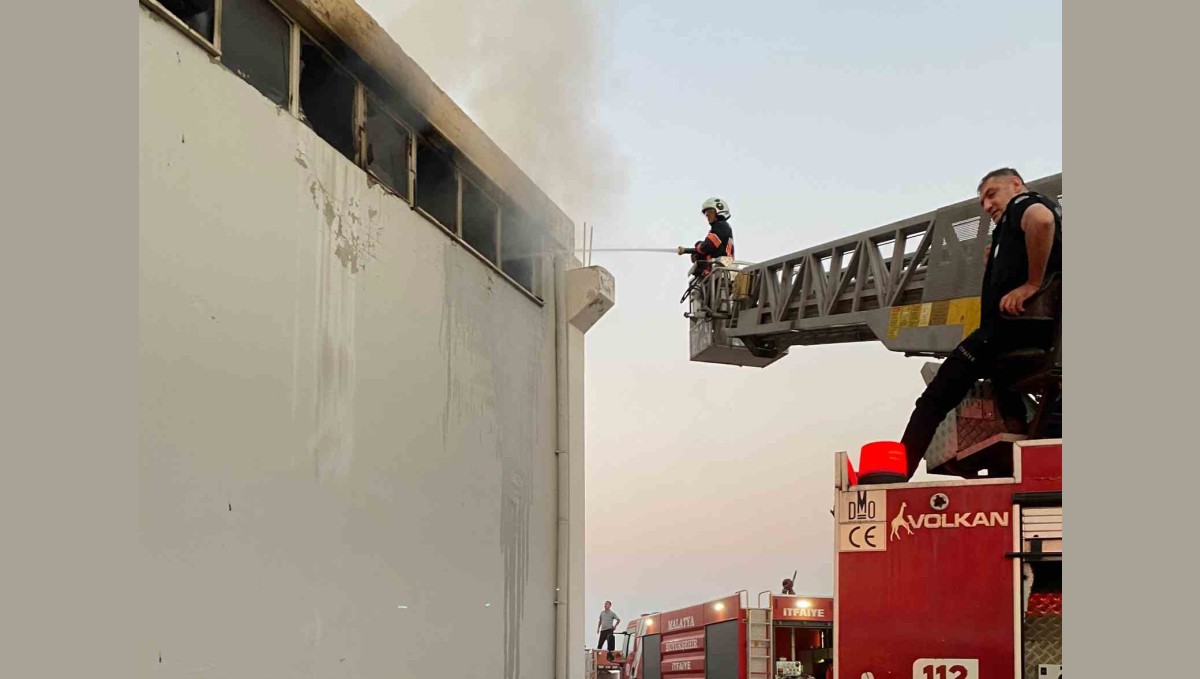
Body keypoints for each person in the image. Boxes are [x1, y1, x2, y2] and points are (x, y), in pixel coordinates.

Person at [895, 168, 1062, 480]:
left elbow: (1041, 221)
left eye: (991, 194)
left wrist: (1031, 284)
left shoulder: (1023, 204)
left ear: (1016, 185)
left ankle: (897, 474)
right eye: (982, 201)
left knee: (934, 399)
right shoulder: (1018, 226)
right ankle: (1021, 446)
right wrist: (1001, 259)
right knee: (1004, 383)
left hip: (1005, 333)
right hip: (1035, 338)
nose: (986, 206)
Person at [678, 197, 736, 278]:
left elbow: (707, 247)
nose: (707, 216)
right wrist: (697, 255)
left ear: (719, 211)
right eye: (706, 214)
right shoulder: (721, 227)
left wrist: (698, 245)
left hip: (720, 270)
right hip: (720, 270)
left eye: (710, 212)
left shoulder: (720, 226)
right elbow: (713, 250)